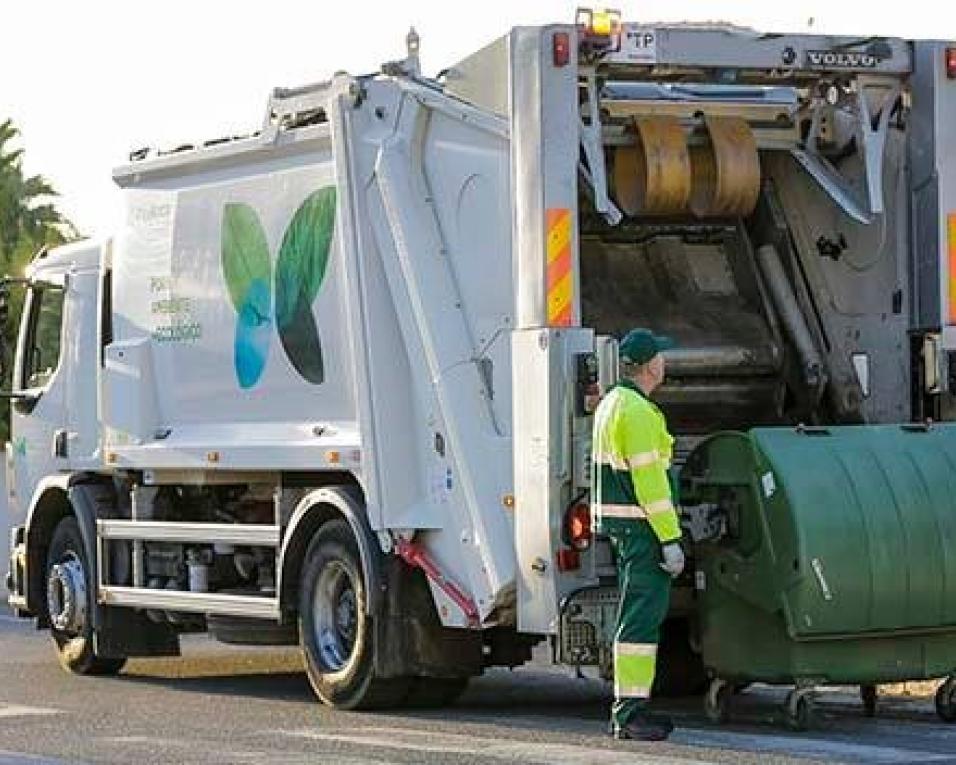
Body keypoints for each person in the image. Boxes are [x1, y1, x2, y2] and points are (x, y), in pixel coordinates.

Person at [591, 328, 685, 741]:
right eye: (661, 357)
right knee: (640, 623)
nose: (665, 363)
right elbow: (652, 487)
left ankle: (629, 709)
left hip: (624, 529)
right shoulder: (641, 414)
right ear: (649, 366)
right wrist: (670, 539)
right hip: (644, 532)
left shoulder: (613, 403)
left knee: (634, 619)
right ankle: (628, 714)